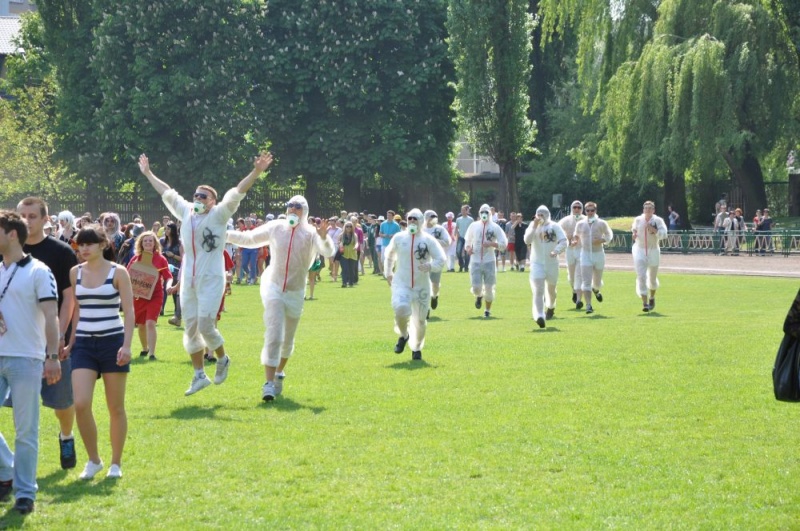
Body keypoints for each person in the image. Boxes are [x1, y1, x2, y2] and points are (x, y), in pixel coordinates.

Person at [139, 151, 273, 396]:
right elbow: (167, 192)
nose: (198, 198)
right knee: (190, 328)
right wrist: (148, 173)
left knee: (206, 326)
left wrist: (256, 172)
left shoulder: (219, 214)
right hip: (188, 280)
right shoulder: (186, 211)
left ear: (213, 201)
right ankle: (199, 375)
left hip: (211, 278)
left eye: (204, 196)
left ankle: (222, 358)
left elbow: (238, 192)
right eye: (196, 195)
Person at [226, 196, 333, 401]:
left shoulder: (311, 233)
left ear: (304, 211)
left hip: (296, 291)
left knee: (287, 339)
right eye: (290, 206)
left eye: (298, 207)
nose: (293, 209)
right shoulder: (276, 227)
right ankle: (268, 383)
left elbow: (328, 251)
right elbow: (250, 239)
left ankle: (278, 372)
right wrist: (224, 234)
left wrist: (324, 237)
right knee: (274, 333)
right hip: (273, 287)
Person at [0, 211, 60, 514]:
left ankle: (25, 493)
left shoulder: (39, 270)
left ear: (12, 234)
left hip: (27, 357)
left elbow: (51, 315)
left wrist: (53, 356)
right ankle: (7, 469)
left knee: (25, 431)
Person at [14, 198, 79, 472]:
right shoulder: (8, 250)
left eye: (32, 216)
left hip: (52, 338)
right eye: (22, 215)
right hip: (16, 340)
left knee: (61, 401)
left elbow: (69, 297)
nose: (26, 221)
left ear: (45, 219)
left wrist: (61, 334)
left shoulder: (61, 252)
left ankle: (66, 436)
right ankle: (13, 463)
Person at [67, 225, 134, 480]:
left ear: (103, 245)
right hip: (84, 343)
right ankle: (94, 460)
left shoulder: (119, 272)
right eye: (80, 244)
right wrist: (70, 342)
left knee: (115, 407)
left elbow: (129, 311)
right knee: (81, 403)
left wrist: (126, 345)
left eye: (89, 244)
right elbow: (77, 310)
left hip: (112, 341)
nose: (84, 249)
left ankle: (116, 463)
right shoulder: (75, 272)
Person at [384, 209, 446, 361]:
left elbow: (441, 259)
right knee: (400, 309)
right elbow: (389, 255)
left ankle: (416, 348)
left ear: (421, 221)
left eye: (415, 219)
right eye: (410, 219)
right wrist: (388, 272)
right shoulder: (399, 238)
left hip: (421, 286)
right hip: (402, 283)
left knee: (420, 321)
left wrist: (430, 266)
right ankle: (404, 335)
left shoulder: (428, 240)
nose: (412, 221)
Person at [127, 231, 172, 360]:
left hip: (155, 295)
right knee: (141, 325)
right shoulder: (136, 259)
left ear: (154, 243)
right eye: (145, 241)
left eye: (150, 241)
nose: (148, 243)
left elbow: (168, 276)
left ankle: (152, 354)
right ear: (141, 243)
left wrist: (169, 286)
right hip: (139, 296)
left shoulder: (161, 259)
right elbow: (127, 275)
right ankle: (145, 348)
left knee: (150, 323)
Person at [524, 206, 568, 328]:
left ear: (547, 215)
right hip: (537, 263)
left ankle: (551, 306)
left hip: (552, 263)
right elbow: (527, 240)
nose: (540, 217)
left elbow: (564, 241)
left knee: (551, 290)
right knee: (538, 289)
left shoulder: (555, 226)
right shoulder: (533, 226)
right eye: (538, 214)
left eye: (542, 214)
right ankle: (539, 315)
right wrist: (534, 226)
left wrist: (556, 251)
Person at [464, 204, 508, 318]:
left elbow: (504, 244)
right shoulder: (473, 226)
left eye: (486, 212)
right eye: (482, 212)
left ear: (490, 214)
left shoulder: (495, 227)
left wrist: (492, 244)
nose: (484, 214)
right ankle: (479, 296)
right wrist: (468, 248)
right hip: (475, 260)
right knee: (476, 288)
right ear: (479, 213)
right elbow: (467, 240)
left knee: (489, 287)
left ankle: (487, 310)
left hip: (489, 261)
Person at [573, 202, 613, 314]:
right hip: (585, 254)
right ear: (585, 211)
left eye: (592, 210)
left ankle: (596, 289)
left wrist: (601, 240)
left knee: (597, 282)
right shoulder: (580, 224)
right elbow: (576, 235)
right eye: (588, 210)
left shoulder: (601, 223)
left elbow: (609, 235)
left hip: (598, 254)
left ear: (595, 211)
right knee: (586, 281)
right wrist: (575, 240)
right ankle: (588, 305)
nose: (590, 212)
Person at [631, 201, 668, 312]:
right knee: (641, 276)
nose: (647, 210)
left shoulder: (658, 220)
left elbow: (664, 234)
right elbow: (634, 229)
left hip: (653, 250)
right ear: (643, 210)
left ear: (653, 210)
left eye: (650, 208)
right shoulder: (638, 219)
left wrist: (654, 230)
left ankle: (652, 296)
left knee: (652, 277)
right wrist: (634, 234)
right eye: (646, 208)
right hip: (640, 249)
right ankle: (645, 303)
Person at [422, 210, 451, 313]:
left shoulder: (440, 229)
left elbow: (447, 241)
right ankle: (426, 308)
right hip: (423, 260)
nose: (433, 218)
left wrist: (434, 241)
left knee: (435, 284)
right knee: (424, 285)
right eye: (431, 216)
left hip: (436, 260)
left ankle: (434, 296)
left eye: (435, 216)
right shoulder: (421, 229)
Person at [558, 201, 586, 309]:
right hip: (570, 250)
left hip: (582, 250)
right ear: (571, 208)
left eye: (579, 207)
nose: (577, 209)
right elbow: (557, 231)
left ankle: (579, 300)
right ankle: (574, 290)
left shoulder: (586, 220)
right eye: (575, 207)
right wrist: (566, 238)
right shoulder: (565, 220)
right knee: (571, 275)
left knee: (579, 275)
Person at [160, 222, 183, 326]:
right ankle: (161, 309)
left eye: (168, 229)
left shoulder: (179, 243)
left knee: (174, 290)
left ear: (173, 230)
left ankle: (177, 313)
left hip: (175, 269)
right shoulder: (162, 242)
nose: (166, 231)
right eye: (166, 229)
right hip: (164, 268)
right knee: (163, 289)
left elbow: (183, 258)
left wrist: (173, 255)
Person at [338, 221, 359, 287]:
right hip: (344, 254)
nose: (349, 228)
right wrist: (340, 244)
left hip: (352, 254)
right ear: (345, 227)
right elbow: (339, 242)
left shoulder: (354, 235)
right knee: (344, 269)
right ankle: (344, 283)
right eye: (347, 226)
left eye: (350, 226)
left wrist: (356, 247)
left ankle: (351, 283)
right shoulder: (341, 235)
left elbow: (356, 242)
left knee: (351, 269)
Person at [454, 205, 473, 273]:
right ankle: (461, 265)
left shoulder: (471, 219)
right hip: (461, 237)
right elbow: (457, 227)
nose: (462, 211)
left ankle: (466, 267)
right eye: (462, 210)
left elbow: (472, 228)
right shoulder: (458, 219)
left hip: (468, 238)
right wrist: (456, 234)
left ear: (467, 211)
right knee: (458, 251)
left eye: (464, 210)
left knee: (467, 253)